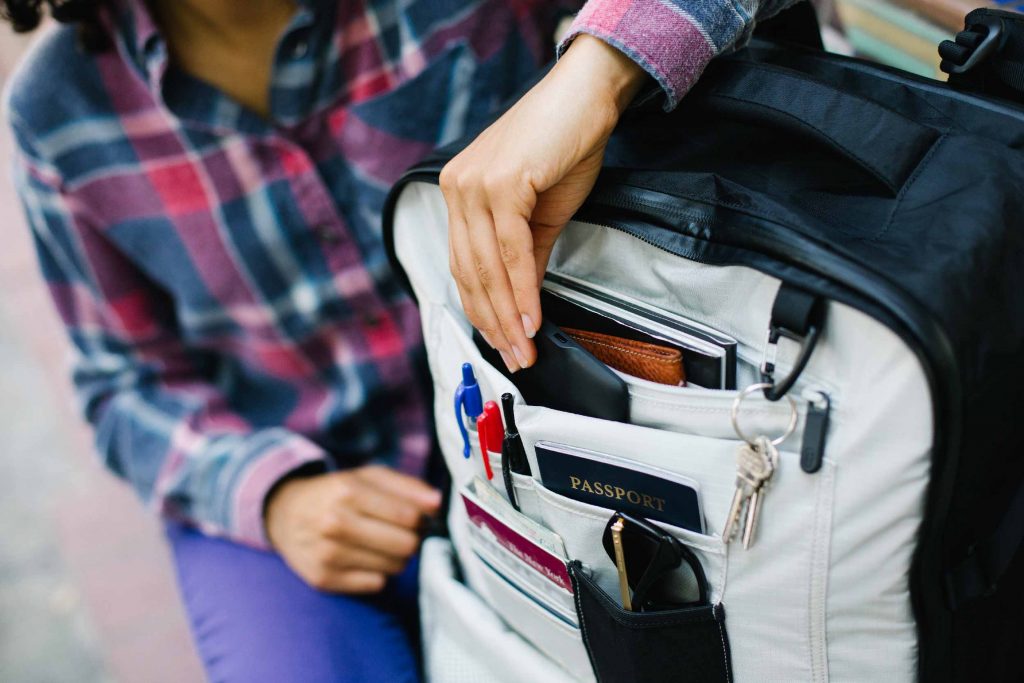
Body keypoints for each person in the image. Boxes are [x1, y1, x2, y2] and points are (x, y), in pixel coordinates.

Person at [3, 0, 794, 680]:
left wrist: (598, 71)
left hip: (535, 434)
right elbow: (124, 384)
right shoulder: (55, 114)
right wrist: (273, 497)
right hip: (301, 487)